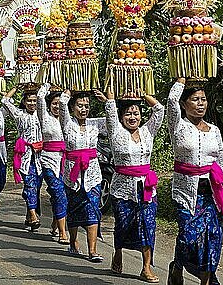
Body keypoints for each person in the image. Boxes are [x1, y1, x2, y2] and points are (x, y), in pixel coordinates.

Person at [167, 78, 223, 285]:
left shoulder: (214, 131)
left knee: (212, 237)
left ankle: (207, 280)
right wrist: (181, 81)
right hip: (185, 192)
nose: (200, 103)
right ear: (184, 104)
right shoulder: (178, 125)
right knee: (188, 237)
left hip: (210, 193)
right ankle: (177, 266)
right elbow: (171, 101)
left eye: (203, 99)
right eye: (194, 99)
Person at [100, 89, 164, 283]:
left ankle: (145, 267)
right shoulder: (116, 131)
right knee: (123, 224)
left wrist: (143, 93)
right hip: (122, 188)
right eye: (128, 113)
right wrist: (112, 95)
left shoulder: (147, 131)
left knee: (148, 225)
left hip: (145, 188)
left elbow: (159, 109)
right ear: (121, 117)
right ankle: (117, 251)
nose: (132, 117)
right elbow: (110, 108)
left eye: (136, 113)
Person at [59, 89, 107, 263]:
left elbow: (114, 120)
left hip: (92, 173)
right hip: (72, 175)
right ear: (72, 107)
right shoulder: (67, 123)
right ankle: (73, 241)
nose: (83, 109)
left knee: (93, 207)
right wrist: (71, 90)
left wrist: (106, 101)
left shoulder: (96, 124)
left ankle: (92, 250)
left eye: (87, 106)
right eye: (80, 105)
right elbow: (62, 104)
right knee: (74, 208)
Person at [3, 86, 43, 231]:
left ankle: (29, 214)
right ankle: (33, 214)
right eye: (29, 101)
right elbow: (5, 101)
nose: (32, 103)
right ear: (24, 102)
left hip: (40, 156)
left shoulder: (43, 114)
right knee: (30, 183)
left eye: (35, 100)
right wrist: (15, 87)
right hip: (25, 154)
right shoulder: (19, 114)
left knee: (37, 186)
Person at [37, 83, 69, 244]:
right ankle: (63, 233)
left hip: (68, 162)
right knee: (58, 192)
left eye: (60, 103)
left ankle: (57, 222)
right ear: (49, 105)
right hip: (49, 160)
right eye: (54, 103)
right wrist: (48, 82)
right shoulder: (45, 117)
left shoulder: (69, 119)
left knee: (64, 194)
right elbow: (39, 98)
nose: (57, 106)